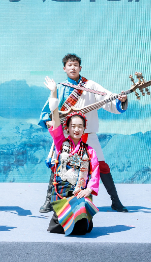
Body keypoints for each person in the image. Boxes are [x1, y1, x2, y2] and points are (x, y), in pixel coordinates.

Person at [39, 54, 128, 213]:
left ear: (80, 68)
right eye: (69, 65)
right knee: (58, 165)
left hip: (88, 134)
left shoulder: (90, 85)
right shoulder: (60, 88)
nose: (73, 68)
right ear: (64, 68)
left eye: (75, 65)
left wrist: (120, 100)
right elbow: (49, 110)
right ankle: (49, 201)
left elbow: (107, 98)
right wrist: (49, 121)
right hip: (67, 135)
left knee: (101, 166)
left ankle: (115, 201)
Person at [43, 76, 99, 235]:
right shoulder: (60, 143)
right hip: (61, 193)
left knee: (81, 228)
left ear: (84, 129)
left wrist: (88, 190)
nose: (76, 129)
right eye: (73, 126)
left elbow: (95, 173)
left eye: (80, 126)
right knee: (59, 227)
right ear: (67, 128)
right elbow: (55, 119)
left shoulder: (89, 151)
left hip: (80, 193)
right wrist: (53, 93)